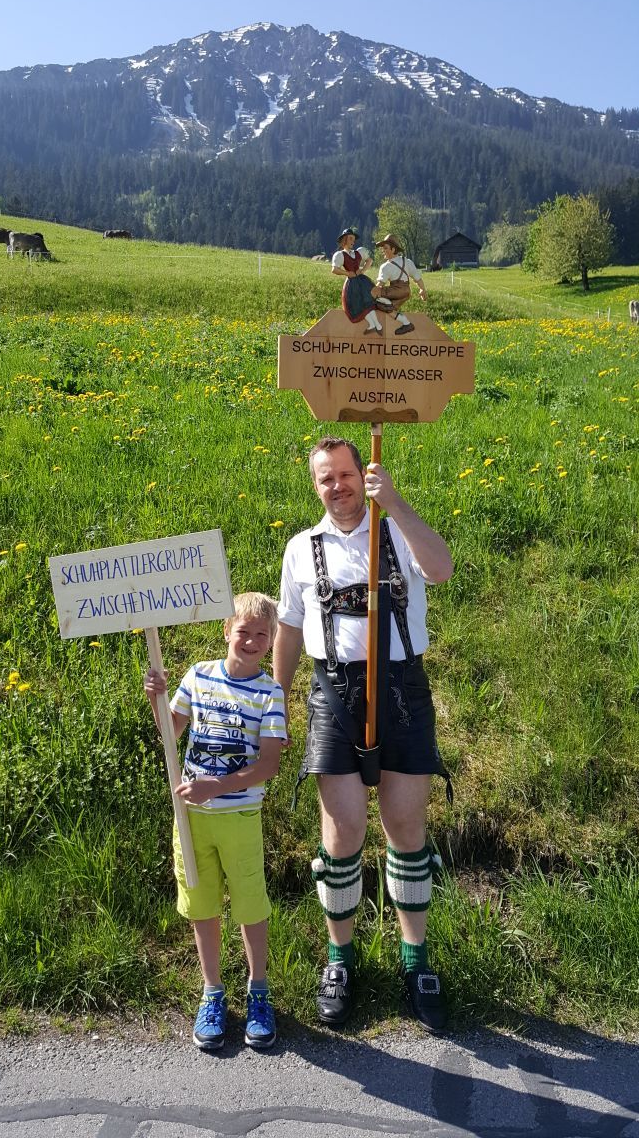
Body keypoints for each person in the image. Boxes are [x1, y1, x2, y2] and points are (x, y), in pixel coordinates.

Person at [273, 438, 453, 1033]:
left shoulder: (397, 529)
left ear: (364, 475)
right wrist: (275, 700)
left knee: (405, 826)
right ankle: (339, 958)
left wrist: (394, 502)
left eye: (346, 474)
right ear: (315, 486)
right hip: (334, 695)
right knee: (344, 829)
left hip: (402, 689)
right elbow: (289, 627)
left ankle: (415, 961)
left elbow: (442, 569)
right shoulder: (302, 548)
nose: (338, 486)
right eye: (326, 479)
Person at [145, 593, 287, 1052]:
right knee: (202, 904)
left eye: (262, 634)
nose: (251, 641)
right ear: (226, 631)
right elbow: (171, 732)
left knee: (250, 905)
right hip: (191, 818)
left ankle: (258, 991)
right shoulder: (198, 675)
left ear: (272, 640)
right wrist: (156, 698)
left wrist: (217, 787)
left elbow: (269, 765)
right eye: (243, 631)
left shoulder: (270, 692)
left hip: (239, 816)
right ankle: (212, 993)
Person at [331, 227, 392, 335]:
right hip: (352, 284)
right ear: (344, 240)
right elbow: (334, 269)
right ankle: (375, 325)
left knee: (369, 300)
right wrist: (347, 273)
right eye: (350, 238)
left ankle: (379, 320)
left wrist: (362, 270)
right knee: (359, 305)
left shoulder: (359, 252)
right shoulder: (340, 254)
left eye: (353, 239)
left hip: (362, 281)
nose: (353, 241)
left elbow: (369, 260)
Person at [374, 234, 428, 336]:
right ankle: (406, 323)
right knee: (387, 308)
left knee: (376, 300)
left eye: (385, 248)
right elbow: (418, 278)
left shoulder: (386, 266)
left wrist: (370, 293)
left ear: (393, 249)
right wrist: (422, 290)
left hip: (396, 291)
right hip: (406, 292)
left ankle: (379, 322)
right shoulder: (407, 262)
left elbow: (379, 285)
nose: (383, 251)